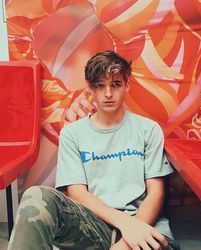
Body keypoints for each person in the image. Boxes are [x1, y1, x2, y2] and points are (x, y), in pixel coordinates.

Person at [8, 50, 180, 250]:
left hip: (143, 224)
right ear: (90, 88)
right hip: (95, 225)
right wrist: (124, 224)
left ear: (127, 85)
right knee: (36, 196)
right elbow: (77, 192)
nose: (108, 93)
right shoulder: (72, 134)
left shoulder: (148, 129)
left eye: (116, 84)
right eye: (100, 85)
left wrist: (125, 242)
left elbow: (156, 194)